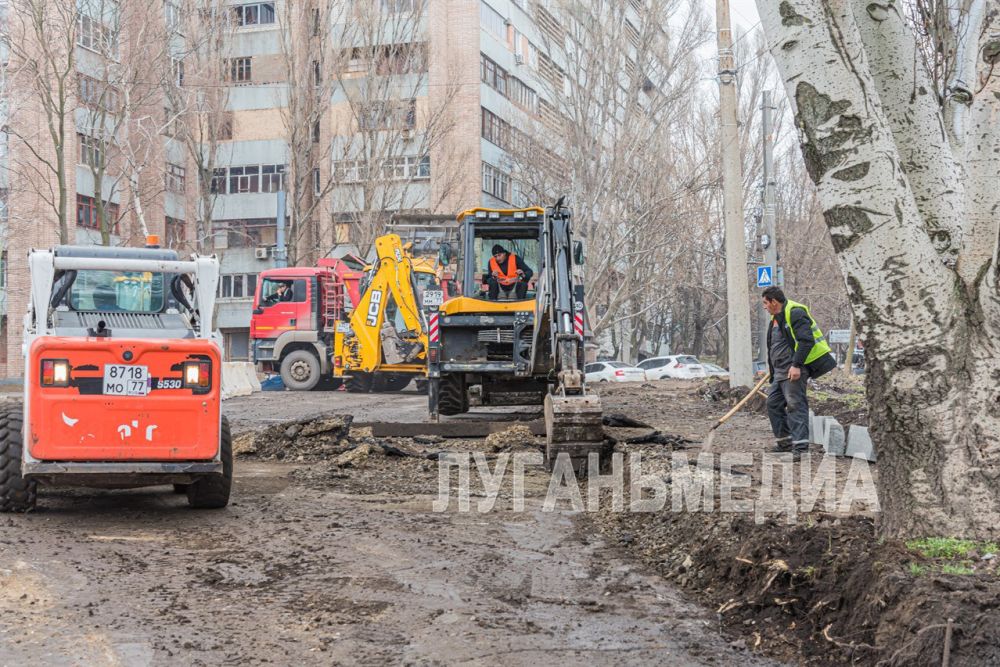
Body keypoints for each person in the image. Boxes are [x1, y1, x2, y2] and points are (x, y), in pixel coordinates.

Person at [762, 287, 836, 457]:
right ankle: (785, 443)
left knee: (795, 405)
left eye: (766, 303)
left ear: (774, 302)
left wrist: (796, 365)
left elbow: (806, 341)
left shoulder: (795, 312)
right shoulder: (775, 318)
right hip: (780, 371)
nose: (765, 307)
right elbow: (774, 344)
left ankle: (801, 449)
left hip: (794, 368)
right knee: (773, 403)